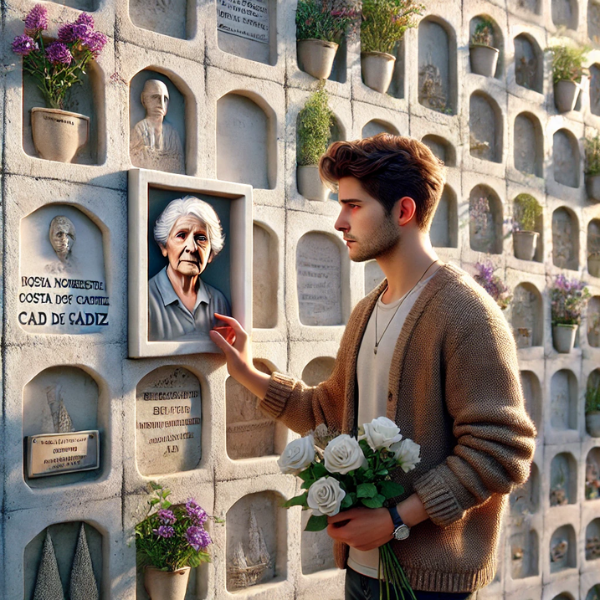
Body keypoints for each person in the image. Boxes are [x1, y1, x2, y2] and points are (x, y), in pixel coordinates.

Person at [210, 134, 536, 599]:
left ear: (403, 211)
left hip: (429, 586)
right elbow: (329, 412)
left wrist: (396, 518)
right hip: (361, 573)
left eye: (353, 206)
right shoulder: (368, 311)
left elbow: (502, 449)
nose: (340, 221)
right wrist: (245, 371)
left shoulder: (468, 314)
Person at [149, 196, 230, 341]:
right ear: (164, 247)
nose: (192, 248)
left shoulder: (218, 302)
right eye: (181, 235)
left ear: (210, 254)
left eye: (201, 238)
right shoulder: (145, 299)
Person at [130, 79, 184, 173]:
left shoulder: (172, 134)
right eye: (155, 97)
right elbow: (139, 162)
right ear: (144, 99)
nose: (161, 104)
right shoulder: (139, 130)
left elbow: (177, 166)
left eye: (165, 99)